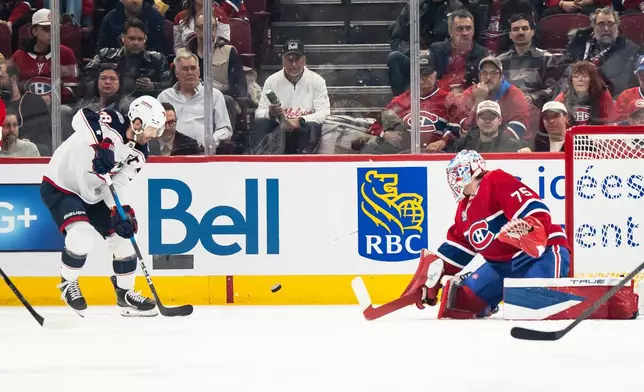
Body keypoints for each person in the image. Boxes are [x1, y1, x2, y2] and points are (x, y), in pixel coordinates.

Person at [401, 150, 570, 319]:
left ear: (470, 171)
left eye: (457, 173)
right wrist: (434, 273)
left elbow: (534, 208)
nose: (454, 181)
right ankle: (490, 301)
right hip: (499, 267)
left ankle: (570, 294)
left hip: (539, 256)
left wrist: (532, 228)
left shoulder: (495, 180)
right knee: (459, 304)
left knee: (533, 306)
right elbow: (459, 248)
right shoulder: (463, 210)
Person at [39, 95, 166, 317]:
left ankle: (124, 296)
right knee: (82, 235)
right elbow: (80, 118)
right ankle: (67, 283)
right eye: (152, 129)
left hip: (94, 194)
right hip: (62, 185)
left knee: (124, 240)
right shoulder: (113, 119)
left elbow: (118, 182)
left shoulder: (139, 153)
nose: (154, 136)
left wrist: (123, 211)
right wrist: (100, 146)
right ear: (137, 123)